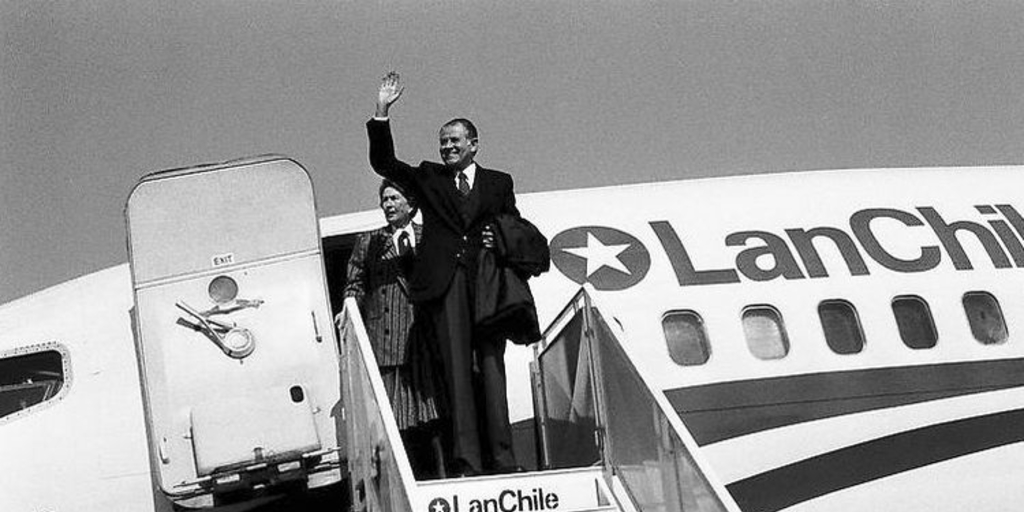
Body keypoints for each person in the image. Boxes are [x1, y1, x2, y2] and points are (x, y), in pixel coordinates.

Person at [365, 71, 522, 476]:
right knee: (457, 378)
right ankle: (468, 462)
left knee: (492, 373)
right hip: (447, 290)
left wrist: (500, 241)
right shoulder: (431, 177)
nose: (447, 147)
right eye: (443, 142)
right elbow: (384, 161)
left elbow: (514, 227)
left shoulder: (498, 182)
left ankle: (504, 460)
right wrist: (382, 112)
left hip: (487, 289)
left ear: (474, 144)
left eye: (455, 141)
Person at [343, 180, 446, 479]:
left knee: (430, 419)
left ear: (410, 204)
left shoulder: (429, 237)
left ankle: (440, 479)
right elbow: (354, 282)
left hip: (422, 340)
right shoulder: (369, 241)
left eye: (394, 199)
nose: (387, 205)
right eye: (384, 200)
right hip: (385, 340)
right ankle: (403, 481)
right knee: (394, 423)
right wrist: (348, 307)